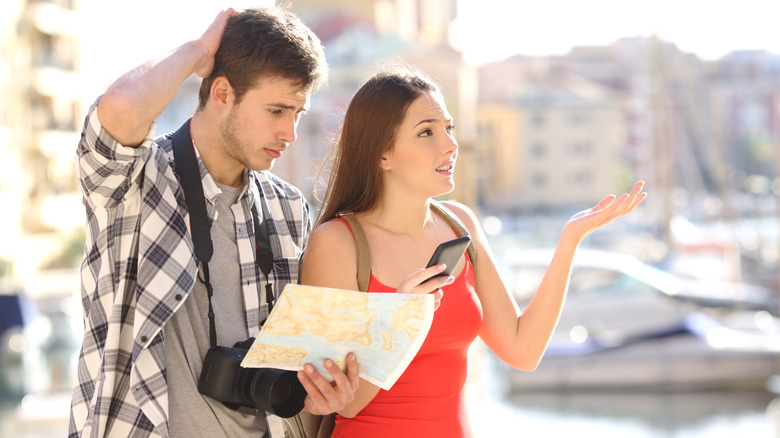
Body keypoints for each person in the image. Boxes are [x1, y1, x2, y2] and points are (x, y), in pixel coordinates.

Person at [300, 67, 648, 437]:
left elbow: (523, 351)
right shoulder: (336, 243)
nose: (450, 144)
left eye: (448, 128)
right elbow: (346, 401)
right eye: (426, 132)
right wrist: (401, 322)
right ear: (382, 154)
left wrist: (570, 241)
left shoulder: (460, 224)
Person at [69, 7, 359, 438]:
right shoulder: (135, 181)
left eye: (298, 113)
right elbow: (124, 106)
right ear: (222, 92)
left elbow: (299, 355)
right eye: (277, 110)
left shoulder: (287, 209)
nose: (290, 132)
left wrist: (320, 394)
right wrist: (197, 51)